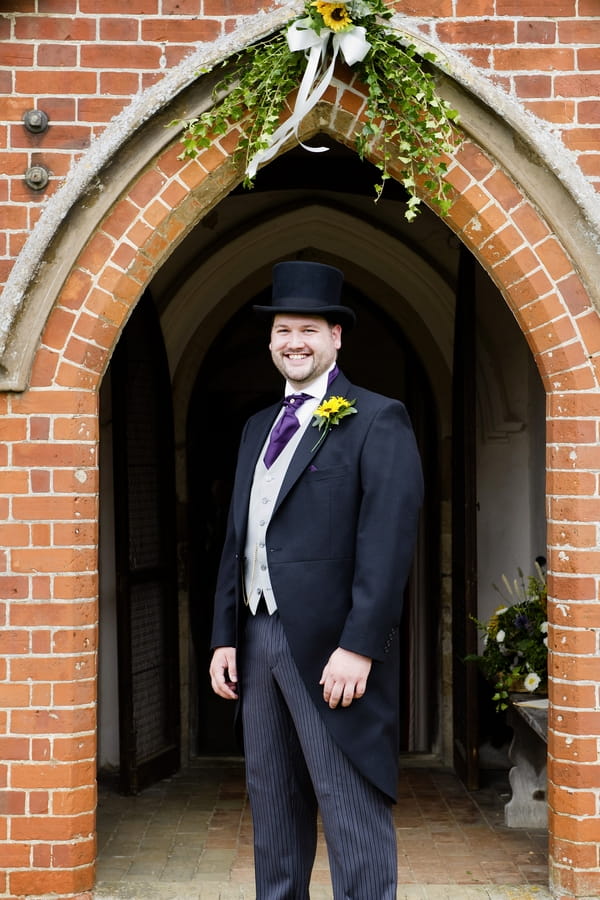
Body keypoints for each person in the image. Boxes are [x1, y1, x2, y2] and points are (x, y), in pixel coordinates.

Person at [209, 260, 423, 900]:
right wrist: (225, 635)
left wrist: (359, 646)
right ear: (270, 341)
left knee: (350, 806)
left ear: (336, 337)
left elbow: (386, 545)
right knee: (273, 810)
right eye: (281, 331)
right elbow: (238, 541)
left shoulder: (376, 419)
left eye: (307, 329)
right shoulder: (254, 429)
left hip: (333, 650)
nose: (292, 342)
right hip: (258, 639)